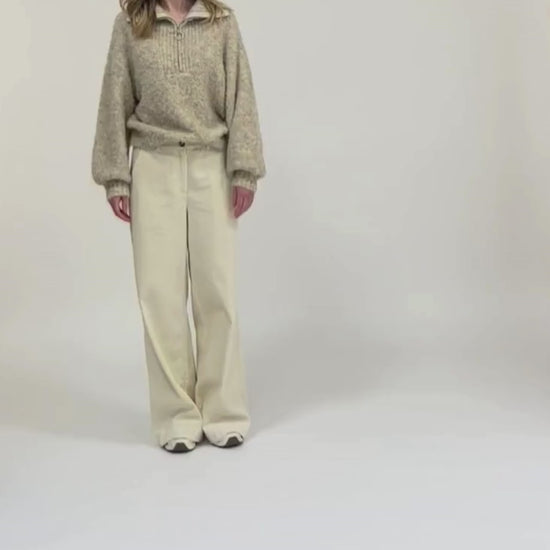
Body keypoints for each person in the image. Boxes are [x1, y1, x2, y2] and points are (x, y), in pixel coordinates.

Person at [90, 0, 266, 453]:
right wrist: (115, 176)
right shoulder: (130, 26)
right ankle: (176, 417)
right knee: (160, 295)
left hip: (212, 164)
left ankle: (224, 412)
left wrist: (244, 169)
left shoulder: (222, 24)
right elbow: (114, 97)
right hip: (153, 164)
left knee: (217, 291)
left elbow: (241, 97)